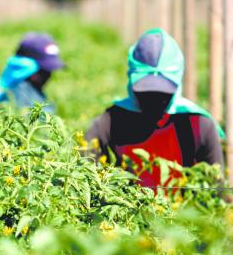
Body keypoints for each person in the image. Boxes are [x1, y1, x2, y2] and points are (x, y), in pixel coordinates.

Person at [85, 28, 224, 188]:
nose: (155, 102)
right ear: (131, 80)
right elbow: (86, 175)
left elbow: (217, 190)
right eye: (146, 93)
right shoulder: (110, 122)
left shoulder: (197, 124)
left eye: (163, 95)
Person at [0, 32, 64, 113]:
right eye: (44, 70)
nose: (49, 74)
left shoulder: (29, 90)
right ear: (30, 68)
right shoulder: (20, 96)